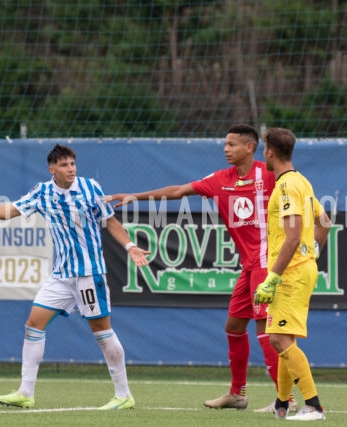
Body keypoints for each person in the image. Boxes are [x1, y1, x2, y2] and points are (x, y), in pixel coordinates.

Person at [106, 123, 296, 413]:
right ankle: (238, 394)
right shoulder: (220, 179)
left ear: (249, 147)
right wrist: (134, 196)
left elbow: (302, 202)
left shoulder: (270, 174)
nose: (225, 149)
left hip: (267, 263)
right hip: (249, 266)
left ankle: (288, 400)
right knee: (234, 326)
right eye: (225, 144)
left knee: (266, 330)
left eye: (232, 144)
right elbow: (178, 191)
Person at [0, 144, 150, 410]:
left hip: (89, 273)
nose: (71, 169)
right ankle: (25, 393)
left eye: (73, 164)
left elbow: (110, 221)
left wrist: (130, 246)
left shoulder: (90, 188)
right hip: (61, 275)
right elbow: (8, 213)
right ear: (52, 169)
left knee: (102, 331)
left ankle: (124, 395)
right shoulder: (42, 193)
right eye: (64, 165)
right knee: (33, 324)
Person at [254, 127, 331, 421]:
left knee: (278, 340)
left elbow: (292, 237)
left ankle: (313, 405)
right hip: (302, 268)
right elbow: (325, 221)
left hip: (291, 273)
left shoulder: (286, 186)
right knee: (281, 336)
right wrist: (314, 253)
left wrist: (272, 277)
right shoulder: (302, 182)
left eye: (264, 150)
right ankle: (282, 404)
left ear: (270, 152)